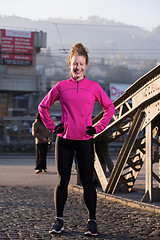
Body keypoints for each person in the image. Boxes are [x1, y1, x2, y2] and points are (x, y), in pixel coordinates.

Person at [38, 43, 115, 236]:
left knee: (88, 182)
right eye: (74, 64)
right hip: (64, 140)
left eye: (81, 64)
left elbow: (110, 108)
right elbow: (43, 107)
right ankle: (59, 220)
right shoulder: (61, 87)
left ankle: (92, 222)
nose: (78, 67)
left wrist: (97, 128)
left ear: (86, 65)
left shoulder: (94, 87)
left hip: (85, 140)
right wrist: (53, 127)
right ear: (69, 65)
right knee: (62, 180)